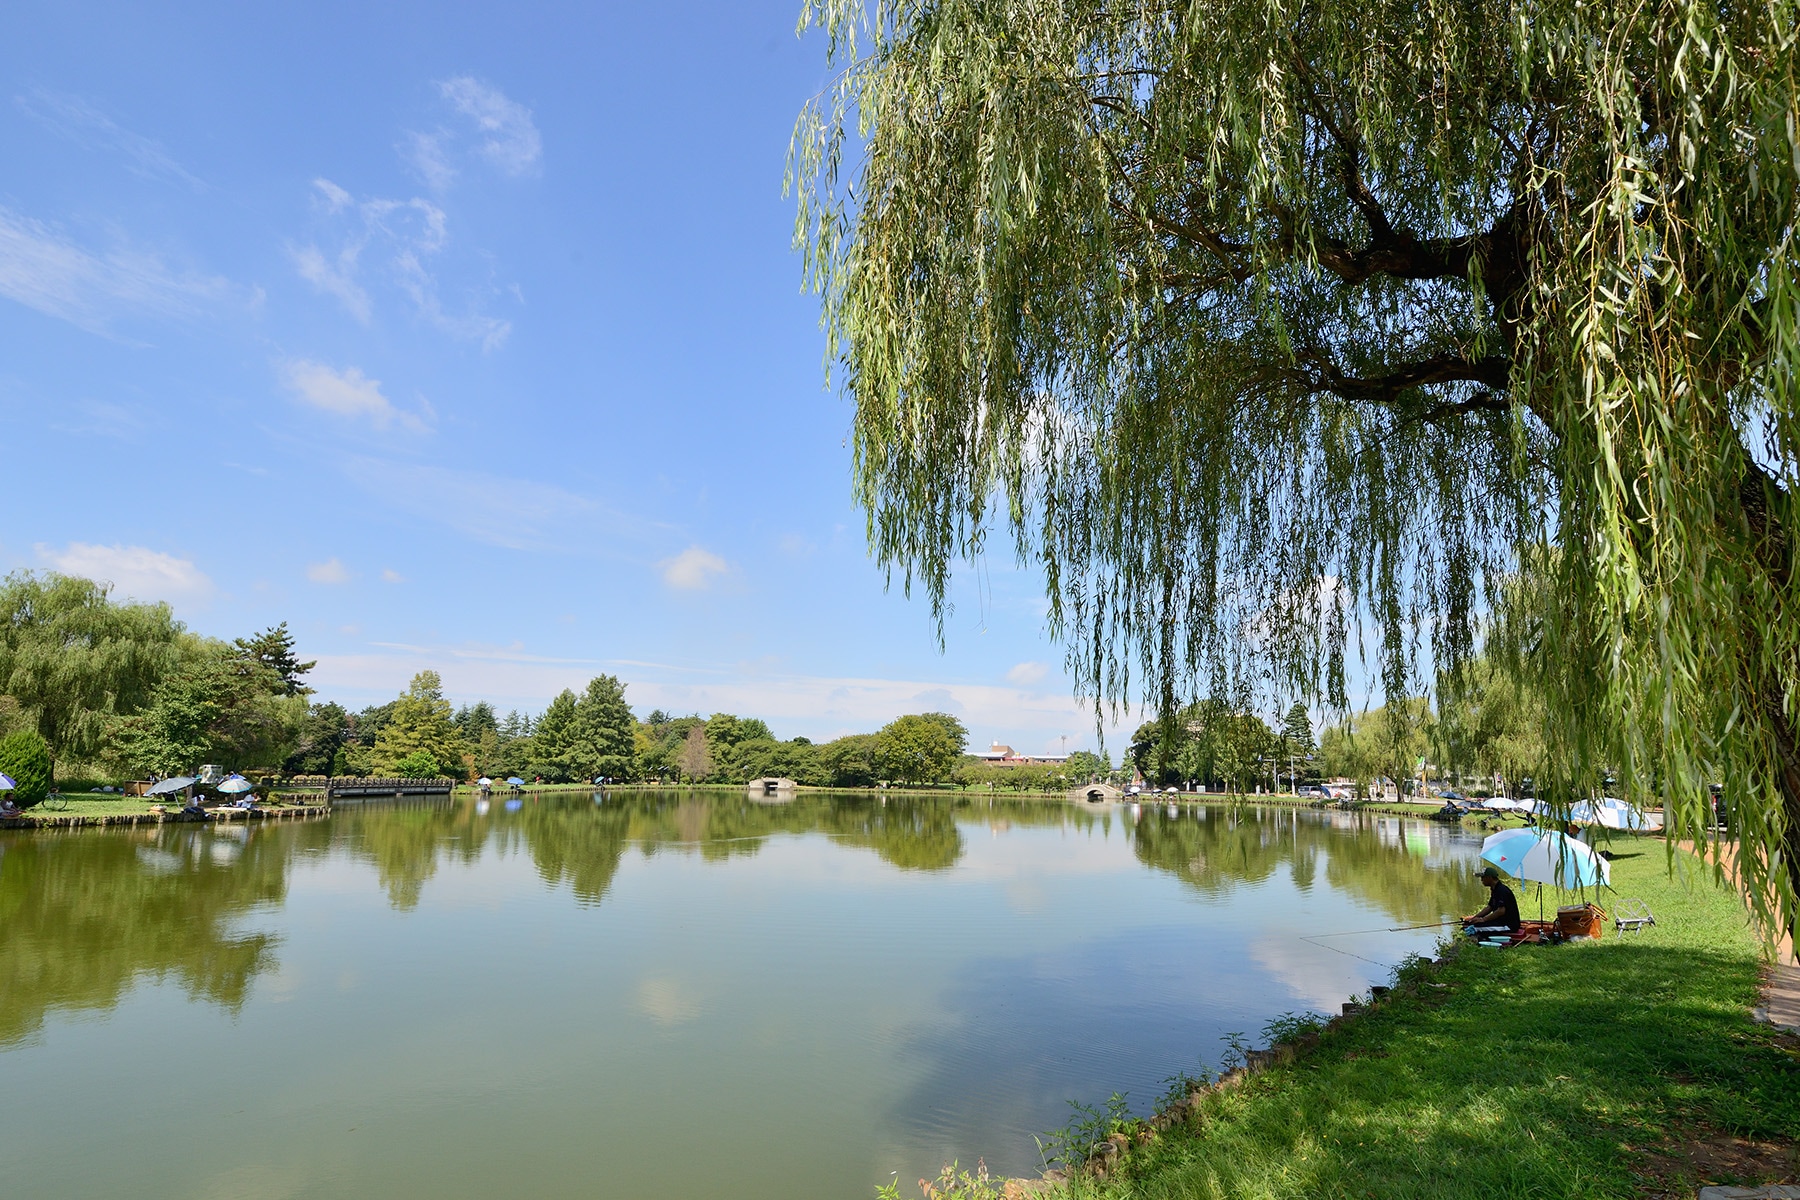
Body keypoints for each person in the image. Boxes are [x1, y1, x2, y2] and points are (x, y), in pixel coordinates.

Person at [1463, 866, 1522, 932]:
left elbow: (1501, 911)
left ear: (1489, 878)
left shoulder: (1501, 890)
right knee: (1474, 923)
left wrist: (1483, 919)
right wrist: (1474, 918)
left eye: (1483, 877)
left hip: (1508, 925)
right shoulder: (1495, 889)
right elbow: (1489, 907)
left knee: (1475, 928)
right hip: (1500, 921)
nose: (1481, 880)